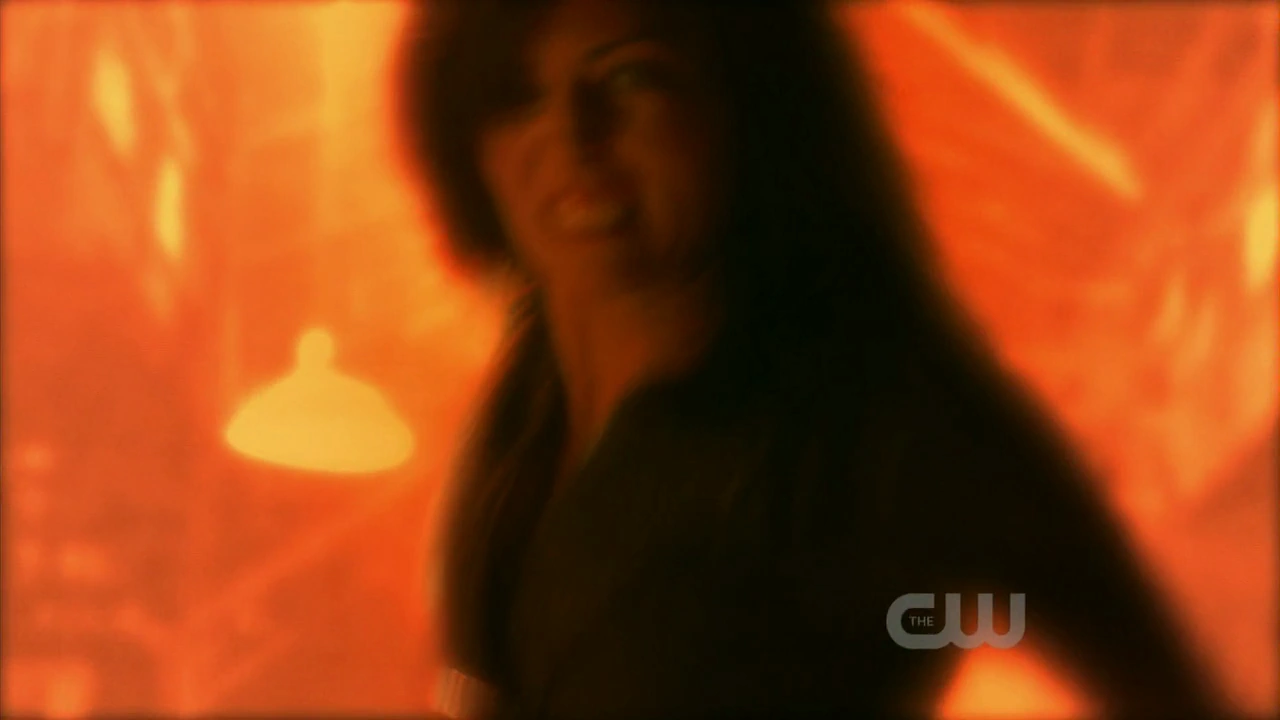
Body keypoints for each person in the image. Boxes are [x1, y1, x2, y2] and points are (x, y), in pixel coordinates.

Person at [396, 1, 1227, 717]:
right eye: (515, 95)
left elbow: (1089, 635)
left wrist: (887, 623)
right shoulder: (520, 408)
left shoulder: (878, 425)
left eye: (630, 78)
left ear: (747, 107)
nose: (571, 135)